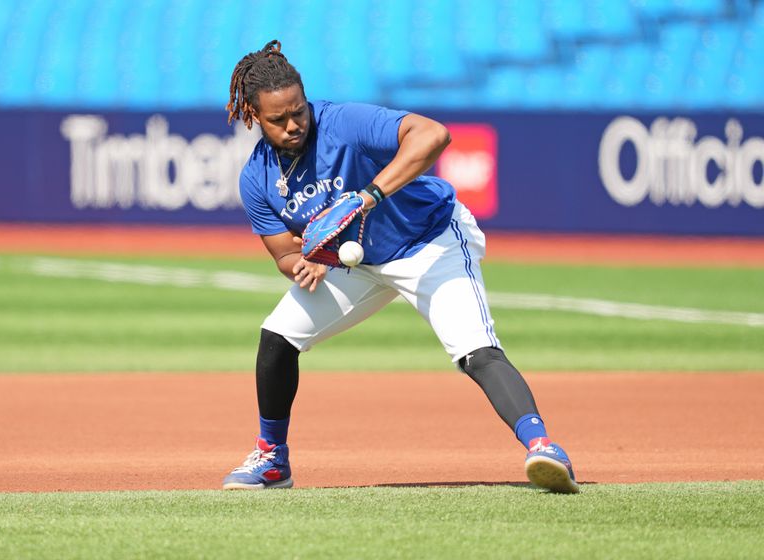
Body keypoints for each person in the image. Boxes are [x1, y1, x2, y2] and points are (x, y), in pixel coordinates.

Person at [221, 40, 579, 494]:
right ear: (253, 116)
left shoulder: (343, 122)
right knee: (277, 337)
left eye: (298, 111)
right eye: (278, 119)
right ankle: (273, 460)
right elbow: (284, 253)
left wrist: (367, 194)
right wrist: (305, 263)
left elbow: (433, 134)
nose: (293, 124)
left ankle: (543, 447)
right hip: (357, 263)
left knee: (475, 351)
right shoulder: (256, 178)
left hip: (430, 241)